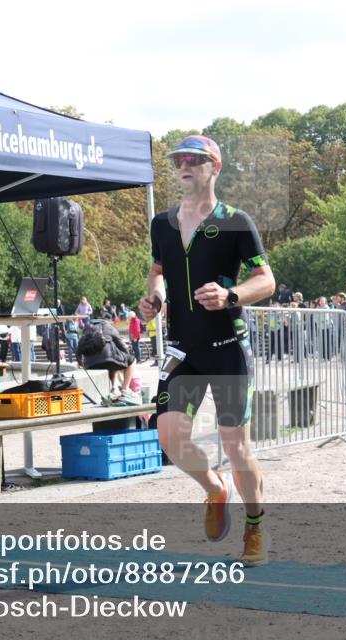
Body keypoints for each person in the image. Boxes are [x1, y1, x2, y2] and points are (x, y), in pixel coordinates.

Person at [139, 135, 275, 566]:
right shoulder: (162, 223)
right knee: (168, 435)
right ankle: (216, 490)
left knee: (237, 447)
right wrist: (154, 298)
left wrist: (231, 295)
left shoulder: (235, 220)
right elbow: (158, 271)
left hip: (228, 346)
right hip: (183, 348)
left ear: (214, 167)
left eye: (195, 160)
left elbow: (266, 281)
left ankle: (254, 530)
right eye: (179, 160)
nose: (184, 166)